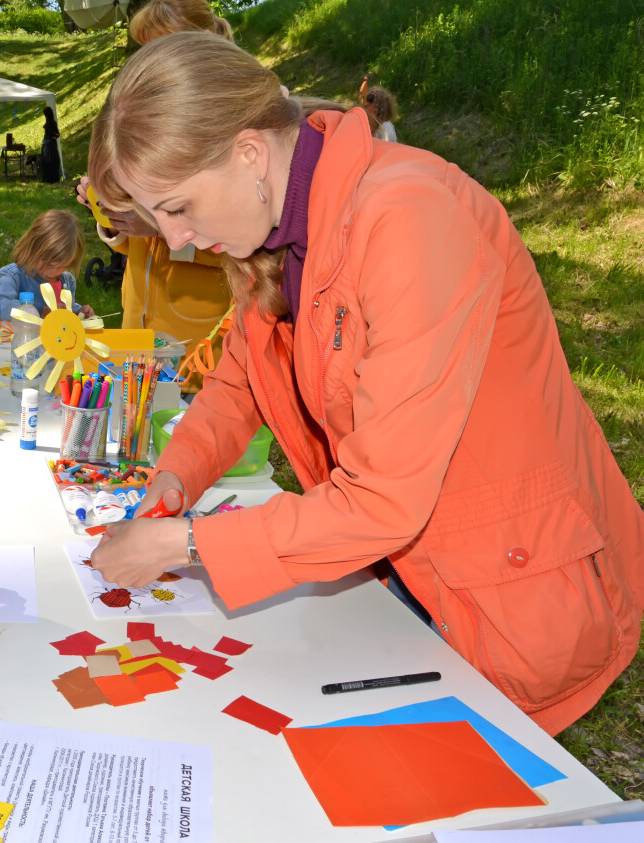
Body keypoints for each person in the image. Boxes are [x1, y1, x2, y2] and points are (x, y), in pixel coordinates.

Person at [85, 32, 644, 736]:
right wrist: (175, 479)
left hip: (504, 594)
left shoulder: (409, 217)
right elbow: (240, 386)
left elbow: (382, 497)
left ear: (250, 153)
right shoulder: (280, 232)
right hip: (406, 575)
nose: (175, 241)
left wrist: (184, 545)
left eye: (177, 207)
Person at [76, 0, 235, 391]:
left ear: (200, 44)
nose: (152, 66)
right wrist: (112, 216)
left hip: (199, 351)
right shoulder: (153, 118)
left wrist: (164, 228)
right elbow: (139, 242)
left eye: (162, 50)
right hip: (135, 342)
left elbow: (256, 245)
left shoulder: (234, 119)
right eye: (146, 52)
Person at [0, 209, 95, 327]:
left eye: (62, 266)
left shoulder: (67, 281)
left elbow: (67, 310)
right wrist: (38, 311)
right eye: (48, 264)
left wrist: (78, 313)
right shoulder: (15, 276)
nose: (53, 271)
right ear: (32, 247)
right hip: (21, 342)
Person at [360, 76, 398, 142]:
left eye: (367, 106)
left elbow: (387, 149)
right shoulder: (370, 126)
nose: (364, 110)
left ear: (377, 108)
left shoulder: (386, 127)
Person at [39, 105, 61, 183]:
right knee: (47, 161)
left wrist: (54, 136)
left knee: (50, 161)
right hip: (47, 143)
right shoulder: (49, 122)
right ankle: (47, 178)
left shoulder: (52, 123)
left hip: (50, 144)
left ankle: (51, 179)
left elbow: (57, 133)